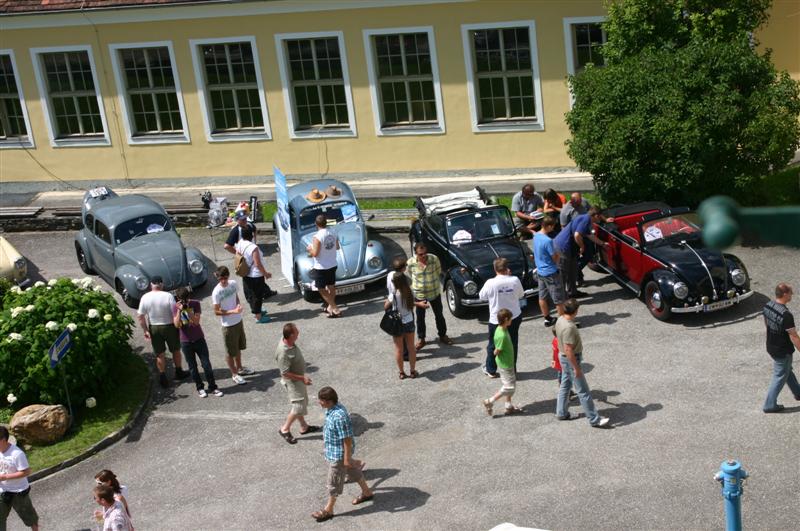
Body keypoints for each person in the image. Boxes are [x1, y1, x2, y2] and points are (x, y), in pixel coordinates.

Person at [312, 387, 374, 523]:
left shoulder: (339, 416)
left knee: (333, 482)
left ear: (328, 401)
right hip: (336, 452)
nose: (319, 402)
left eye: (321, 400)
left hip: (339, 455)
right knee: (353, 471)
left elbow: (347, 439)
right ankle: (367, 493)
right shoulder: (334, 408)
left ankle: (328, 510)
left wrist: (346, 458)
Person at [554, 298, 611, 428]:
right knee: (583, 391)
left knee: (565, 385)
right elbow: (569, 350)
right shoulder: (569, 327)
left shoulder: (560, 319)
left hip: (562, 357)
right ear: (576, 311)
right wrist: (576, 368)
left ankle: (561, 413)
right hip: (570, 359)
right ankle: (594, 419)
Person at [137, 276, 189, 388]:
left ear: (151, 285)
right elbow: (175, 312)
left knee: (159, 354)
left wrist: (145, 330)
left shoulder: (145, 297)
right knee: (175, 350)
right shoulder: (168, 296)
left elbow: (140, 316)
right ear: (161, 284)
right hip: (169, 326)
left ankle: (163, 377)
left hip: (154, 327)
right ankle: (179, 372)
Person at [172, 287, 223, 398]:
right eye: (182, 299)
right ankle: (200, 387)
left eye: (186, 299)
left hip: (199, 339)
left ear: (189, 297)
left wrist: (188, 310)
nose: (184, 301)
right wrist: (180, 310)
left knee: (206, 364)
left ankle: (213, 386)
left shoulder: (195, 304)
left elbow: (195, 322)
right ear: (178, 298)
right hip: (186, 341)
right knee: (192, 367)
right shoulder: (175, 307)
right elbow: (176, 325)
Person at [479, 257, 524, 377]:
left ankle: (491, 369)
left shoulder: (490, 283)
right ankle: (512, 371)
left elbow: (482, 296)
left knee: (493, 344)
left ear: (495, 269)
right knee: (512, 343)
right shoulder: (515, 280)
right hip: (514, 316)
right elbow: (521, 294)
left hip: (496, 319)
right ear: (507, 268)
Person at [553, 206, 612, 298]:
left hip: (570, 248)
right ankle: (561, 298)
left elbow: (589, 235)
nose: (600, 219)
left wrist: (602, 243)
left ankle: (573, 292)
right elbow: (577, 235)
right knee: (563, 273)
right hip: (563, 247)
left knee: (573, 269)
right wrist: (582, 246)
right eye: (600, 217)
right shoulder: (585, 219)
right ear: (595, 215)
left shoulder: (585, 219)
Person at [276, 323, 320, 444]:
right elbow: (285, 373)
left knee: (301, 402)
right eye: (296, 332)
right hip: (293, 383)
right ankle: (284, 429)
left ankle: (304, 427)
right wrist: (302, 378)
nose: (298, 333)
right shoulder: (283, 353)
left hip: (298, 381)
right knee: (298, 406)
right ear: (290, 335)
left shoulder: (289, 342)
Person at [406, 242, 453, 350]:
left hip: (434, 292)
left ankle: (442, 335)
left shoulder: (434, 259)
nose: (424, 256)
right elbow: (410, 274)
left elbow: (438, 271)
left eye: (425, 253)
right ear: (416, 254)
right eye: (421, 254)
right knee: (420, 318)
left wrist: (430, 283)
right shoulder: (410, 263)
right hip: (420, 295)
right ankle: (421, 339)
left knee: (439, 315)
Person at [211, 266, 253, 385]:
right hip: (228, 326)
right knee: (230, 352)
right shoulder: (216, 292)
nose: (223, 281)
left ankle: (240, 368)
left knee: (238, 347)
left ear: (228, 276)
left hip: (238, 321)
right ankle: (234, 374)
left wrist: (238, 306)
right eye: (221, 279)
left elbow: (236, 297)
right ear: (217, 277)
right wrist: (232, 312)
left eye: (225, 278)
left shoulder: (233, 284)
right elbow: (216, 311)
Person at [762, 283, 800, 413]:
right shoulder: (786, 315)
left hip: (771, 346)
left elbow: (767, 323)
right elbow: (794, 336)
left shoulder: (768, 306)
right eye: (790, 293)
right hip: (782, 350)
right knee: (779, 375)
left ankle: (798, 393)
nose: (792, 295)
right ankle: (769, 405)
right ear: (784, 294)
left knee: (786, 370)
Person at [224, 209, 277, 298]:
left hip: (252, 253)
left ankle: (264, 292)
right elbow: (226, 246)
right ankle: (253, 297)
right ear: (237, 220)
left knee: (256, 274)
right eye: (242, 219)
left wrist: (255, 241)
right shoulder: (235, 231)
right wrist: (237, 254)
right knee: (248, 275)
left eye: (245, 218)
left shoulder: (249, 225)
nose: (244, 221)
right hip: (245, 258)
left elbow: (255, 230)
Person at [482, 308, 524, 416]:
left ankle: (508, 407)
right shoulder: (501, 334)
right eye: (510, 319)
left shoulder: (503, 329)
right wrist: (496, 353)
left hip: (508, 362)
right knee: (509, 387)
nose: (512, 320)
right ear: (506, 319)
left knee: (510, 383)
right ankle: (490, 401)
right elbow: (497, 351)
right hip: (505, 364)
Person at [386, 272, 428, 379]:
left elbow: (386, 306)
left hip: (397, 323)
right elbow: (412, 304)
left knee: (398, 349)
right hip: (409, 320)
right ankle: (413, 371)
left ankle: (401, 372)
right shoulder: (410, 292)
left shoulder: (394, 294)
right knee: (411, 348)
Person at [0, 426, 39, 531]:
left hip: (19, 492)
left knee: (29, 517)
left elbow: (26, 472)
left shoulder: (17, 454)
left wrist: (5, 477)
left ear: (3, 440)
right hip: (3, 491)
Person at [235, 225, 272, 324]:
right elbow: (257, 263)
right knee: (257, 296)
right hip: (255, 275)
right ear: (251, 234)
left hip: (245, 273)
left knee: (250, 294)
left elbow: (238, 255)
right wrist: (266, 274)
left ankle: (257, 311)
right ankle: (258, 317)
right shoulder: (253, 247)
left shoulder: (240, 243)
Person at [534, 217, 566, 326]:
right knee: (558, 299)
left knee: (542, 296)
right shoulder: (548, 241)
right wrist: (558, 257)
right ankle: (563, 323)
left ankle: (547, 319)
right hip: (551, 272)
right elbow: (554, 257)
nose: (553, 228)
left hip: (540, 271)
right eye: (552, 226)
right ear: (548, 226)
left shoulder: (536, 235)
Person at [307, 215, 341, 318]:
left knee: (321, 288)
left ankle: (334, 307)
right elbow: (337, 247)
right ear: (326, 223)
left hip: (321, 266)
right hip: (332, 263)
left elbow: (315, 253)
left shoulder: (317, 236)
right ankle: (330, 307)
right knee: (331, 286)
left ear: (316, 224)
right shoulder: (333, 232)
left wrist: (309, 249)